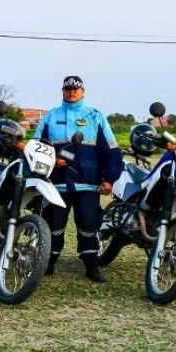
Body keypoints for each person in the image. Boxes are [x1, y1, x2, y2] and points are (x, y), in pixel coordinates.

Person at [35, 76, 123, 282]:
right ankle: (47, 263)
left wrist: (109, 179)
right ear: (62, 91)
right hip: (55, 184)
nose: (71, 92)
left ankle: (91, 266)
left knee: (88, 225)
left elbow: (111, 150)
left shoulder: (95, 116)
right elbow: (38, 147)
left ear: (83, 91)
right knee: (53, 226)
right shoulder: (50, 117)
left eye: (75, 88)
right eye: (67, 88)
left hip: (88, 184)